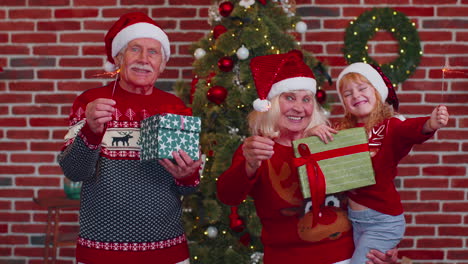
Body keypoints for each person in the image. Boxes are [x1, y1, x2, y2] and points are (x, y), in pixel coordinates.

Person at [217, 51, 398, 264]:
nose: (299, 108)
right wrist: (249, 165)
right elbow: (228, 196)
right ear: (272, 103)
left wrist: (383, 244)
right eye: (289, 98)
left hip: (345, 256)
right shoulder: (258, 149)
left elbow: (372, 195)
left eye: (306, 99)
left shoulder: (332, 140)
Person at [58, 12, 202, 264]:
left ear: (163, 64)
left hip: (166, 249)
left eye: (153, 52)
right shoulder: (89, 103)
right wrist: (91, 129)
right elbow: (75, 171)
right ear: (118, 58)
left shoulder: (174, 107)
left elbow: (189, 187)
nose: (144, 59)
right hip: (100, 250)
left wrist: (187, 174)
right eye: (135, 49)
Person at [335, 62, 450, 264]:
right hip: (354, 220)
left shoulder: (390, 125)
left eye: (362, 88)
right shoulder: (343, 131)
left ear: (377, 92)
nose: (356, 95)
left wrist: (430, 123)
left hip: (382, 221)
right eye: (347, 93)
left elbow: (410, 129)